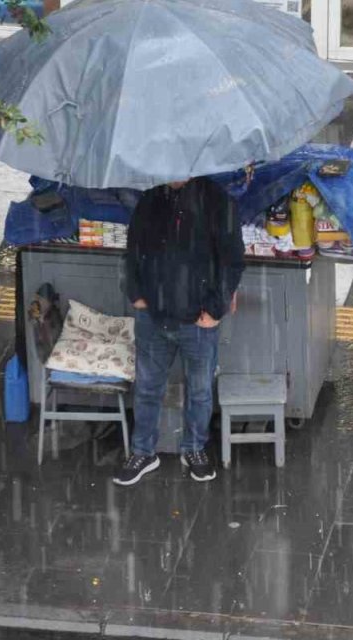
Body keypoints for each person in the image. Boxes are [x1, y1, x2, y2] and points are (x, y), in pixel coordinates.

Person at [114, 177, 245, 486]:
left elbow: (232, 262)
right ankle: (143, 452)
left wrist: (214, 310)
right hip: (152, 316)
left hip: (197, 320)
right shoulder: (150, 199)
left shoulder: (217, 201)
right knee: (147, 388)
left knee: (199, 391)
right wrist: (136, 295)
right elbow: (132, 251)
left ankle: (195, 448)